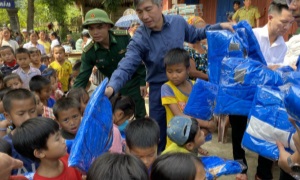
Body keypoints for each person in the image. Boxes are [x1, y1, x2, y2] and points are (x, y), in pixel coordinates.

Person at [104, 0, 234, 152]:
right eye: (140, 12)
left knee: (187, 132)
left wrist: (220, 26)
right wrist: (111, 88)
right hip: (159, 92)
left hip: (182, 88)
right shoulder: (140, 37)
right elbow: (126, 65)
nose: (144, 16)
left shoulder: (178, 23)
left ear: (159, 6)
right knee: (159, 136)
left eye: (148, 9)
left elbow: (195, 34)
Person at [73, 8, 147, 119]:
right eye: (91, 28)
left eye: (99, 27)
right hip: (114, 90)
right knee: (117, 120)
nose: (95, 32)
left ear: (108, 26)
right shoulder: (89, 52)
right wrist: (70, 100)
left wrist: (142, 82)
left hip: (133, 84)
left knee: (140, 117)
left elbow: (138, 60)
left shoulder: (123, 37)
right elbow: (81, 79)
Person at [161, 48, 216, 148]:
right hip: (175, 143)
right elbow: (179, 115)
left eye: (178, 71)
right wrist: (207, 125)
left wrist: (202, 136)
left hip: (193, 142)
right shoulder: (167, 88)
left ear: (188, 69)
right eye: (169, 71)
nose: (174, 76)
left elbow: (205, 112)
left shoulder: (196, 87)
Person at [12, 117, 82, 180]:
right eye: (57, 139)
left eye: (61, 135)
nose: (63, 140)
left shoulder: (65, 156)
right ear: (40, 153)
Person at [2, 89, 38, 175]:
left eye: (32, 111)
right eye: (21, 114)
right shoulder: (6, 145)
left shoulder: (46, 135)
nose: (28, 117)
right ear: (8, 116)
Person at [253, 1, 294, 70]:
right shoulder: (254, 36)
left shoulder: (283, 46)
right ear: (270, 18)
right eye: (284, 22)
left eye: (291, 23)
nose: (287, 27)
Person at [185, 16, 208, 80]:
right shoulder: (187, 50)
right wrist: (209, 77)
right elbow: (192, 72)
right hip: (196, 85)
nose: (203, 33)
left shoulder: (204, 48)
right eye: (200, 30)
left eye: (204, 30)